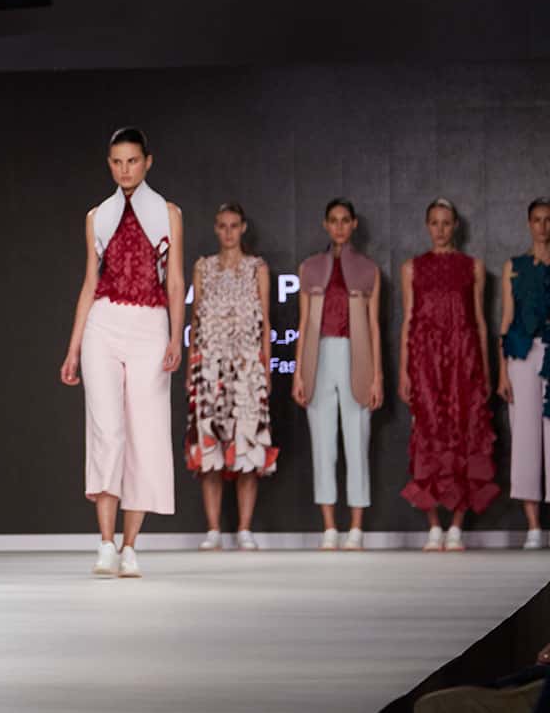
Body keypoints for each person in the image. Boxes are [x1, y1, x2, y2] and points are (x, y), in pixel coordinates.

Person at [59, 126, 184, 579]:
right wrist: (73, 348)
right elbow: (91, 282)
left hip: (151, 325)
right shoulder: (98, 216)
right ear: (109, 164)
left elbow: (174, 280)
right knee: (106, 429)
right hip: (104, 324)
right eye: (117, 161)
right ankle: (106, 543)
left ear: (148, 161)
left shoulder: (169, 214)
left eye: (132, 160)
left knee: (146, 435)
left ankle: (131, 547)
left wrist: (176, 337)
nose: (124, 169)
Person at [399, 198, 500, 549]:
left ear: (455, 225)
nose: (440, 229)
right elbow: (408, 321)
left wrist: (486, 370)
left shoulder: (473, 267)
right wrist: (404, 370)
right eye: (434, 223)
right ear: (427, 226)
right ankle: (433, 527)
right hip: (425, 361)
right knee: (428, 435)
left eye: (446, 222)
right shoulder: (412, 267)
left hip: (464, 360)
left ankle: (456, 526)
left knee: (464, 435)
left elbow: (481, 322)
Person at [292, 199, 384, 551]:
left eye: (345, 220)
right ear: (325, 225)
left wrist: (377, 375)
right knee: (323, 444)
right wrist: (299, 373)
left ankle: (356, 529)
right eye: (334, 220)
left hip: (356, 353)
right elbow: (303, 323)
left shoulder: (368, 269)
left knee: (358, 441)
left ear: (354, 224)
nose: (340, 226)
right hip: (319, 356)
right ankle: (330, 527)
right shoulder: (310, 268)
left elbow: (374, 325)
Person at [184, 203, 276, 550]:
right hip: (209, 370)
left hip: (247, 370)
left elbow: (265, 321)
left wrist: (264, 367)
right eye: (222, 226)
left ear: (243, 228)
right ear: (215, 228)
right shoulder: (203, 268)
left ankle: (244, 528)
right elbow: (195, 318)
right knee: (209, 449)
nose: (228, 232)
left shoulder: (257, 268)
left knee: (247, 448)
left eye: (234, 225)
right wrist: (194, 367)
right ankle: (212, 530)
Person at [501, 198, 550, 548]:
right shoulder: (513, 266)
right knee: (525, 436)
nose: (543, 226)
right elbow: (505, 320)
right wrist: (502, 371)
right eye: (537, 220)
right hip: (520, 352)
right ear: (528, 223)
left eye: (548, 220)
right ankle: (532, 526)